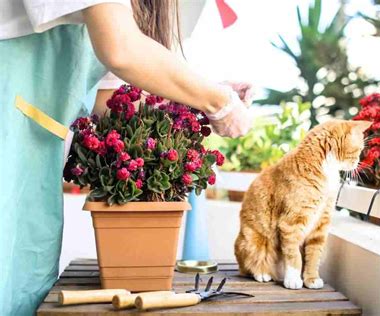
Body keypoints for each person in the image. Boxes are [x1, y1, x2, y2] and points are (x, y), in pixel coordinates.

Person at [0, 1, 252, 315]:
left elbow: (112, 103)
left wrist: (198, 102)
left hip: (30, 169)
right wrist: (219, 102)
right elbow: (121, 49)